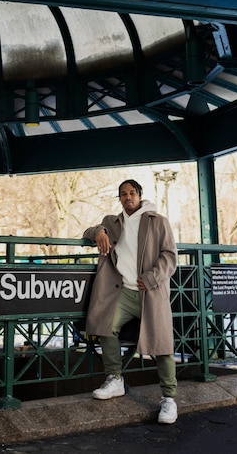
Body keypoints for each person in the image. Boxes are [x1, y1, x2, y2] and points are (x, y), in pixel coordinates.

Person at [83, 179, 178, 424]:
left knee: (162, 343)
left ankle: (169, 398)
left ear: (140, 195)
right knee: (106, 326)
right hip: (122, 291)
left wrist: (152, 277)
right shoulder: (112, 223)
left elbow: (170, 256)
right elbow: (88, 232)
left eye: (132, 193)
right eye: (123, 194)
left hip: (151, 292)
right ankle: (115, 379)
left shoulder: (158, 221)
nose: (128, 197)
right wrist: (99, 232)